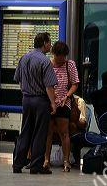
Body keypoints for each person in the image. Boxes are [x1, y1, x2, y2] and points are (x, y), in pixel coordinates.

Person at [12, 32, 57, 174]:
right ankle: (36, 166)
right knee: (39, 133)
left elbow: (19, 80)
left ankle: (17, 164)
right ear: (44, 43)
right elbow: (49, 86)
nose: (50, 45)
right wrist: (53, 103)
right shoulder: (45, 61)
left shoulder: (24, 58)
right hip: (41, 101)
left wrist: (26, 93)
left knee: (25, 131)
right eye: (49, 42)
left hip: (26, 99)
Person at [43, 41, 79, 172]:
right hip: (48, 102)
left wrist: (67, 96)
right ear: (54, 54)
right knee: (48, 133)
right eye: (59, 56)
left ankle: (66, 160)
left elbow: (75, 83)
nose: (62, 59)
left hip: (64, 103)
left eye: (64, 56)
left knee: (64, 133)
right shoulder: (47, 64)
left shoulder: (70, 64)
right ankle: (46, 159)